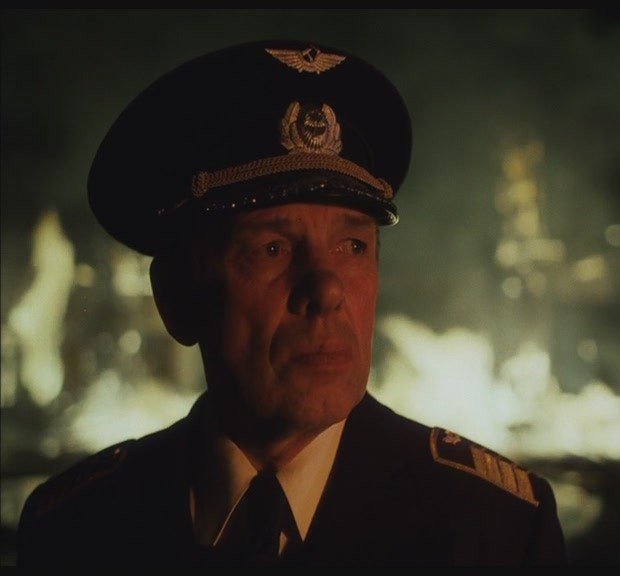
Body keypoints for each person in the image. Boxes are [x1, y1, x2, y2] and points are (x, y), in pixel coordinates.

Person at [15, 40, 567, 566]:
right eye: (272, 249)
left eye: (353, 246)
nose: (326, 290)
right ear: (177, 297)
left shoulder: (494, 531)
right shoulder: (78, 528)